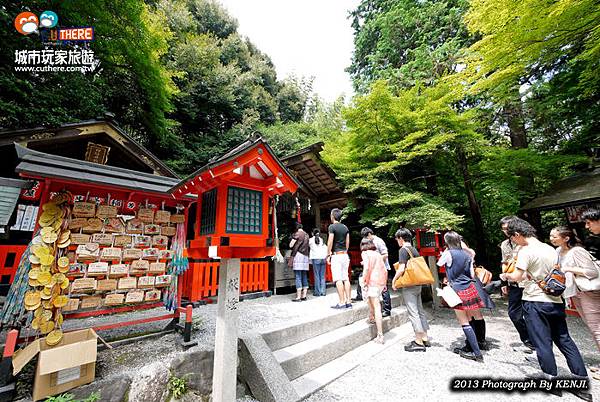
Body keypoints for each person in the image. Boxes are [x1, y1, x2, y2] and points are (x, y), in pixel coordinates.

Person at [501, 218, 590, 400]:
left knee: (542, 341)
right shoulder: (549, 249)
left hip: (534, 301)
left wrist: (505, 275)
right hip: (555, 300)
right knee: (565, 340)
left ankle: (551, 381)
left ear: (518, 235)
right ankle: (580, 382)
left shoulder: (526, 251)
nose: (513, 241)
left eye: (513, 237)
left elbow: (518, 276)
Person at [550, 226, 600, 381]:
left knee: (596, 328)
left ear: (566, 238)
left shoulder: (577, 251)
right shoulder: (558, 252)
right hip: (576, 293)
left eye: (554, 236)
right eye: (551, 236)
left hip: (588, 292)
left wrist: (568, 269)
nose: (551, 238)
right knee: (593, 329)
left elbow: (592, 272)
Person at [437, 231, 485, 362]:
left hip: (456, 289)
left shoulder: (448, 253)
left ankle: (476, 353)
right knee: (470, 318)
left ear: (446, 241)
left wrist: (443, 253)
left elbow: (439, 264)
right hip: (469, 287)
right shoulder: (467, 255)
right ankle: (473, 347)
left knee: (464, 321)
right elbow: (470, 273)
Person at [499, 216, 534, 352]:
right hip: (513, 282)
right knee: (514, 313)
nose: (506, 231)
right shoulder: (505, 245)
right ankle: (527, 339)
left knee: (531, 313)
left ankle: (535, 342)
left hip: (529, 282)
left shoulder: (527, 242)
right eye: (504, 229)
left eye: (508, 228)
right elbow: (504, 261)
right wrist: (504, 281)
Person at [391, 228, 430, 352]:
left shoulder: (403, 250)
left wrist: (394, 280)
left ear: (401, 239)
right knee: (420, 310)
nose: (397, 241)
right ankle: (425, 337)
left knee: (413, 312)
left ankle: (418, 341)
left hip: (409, 286)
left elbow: (402, 268)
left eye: (397, 239)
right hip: (418, 283)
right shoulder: (414, 249)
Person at [352, 227, 392, 317]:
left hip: (382, 268)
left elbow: (385, 254)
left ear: (369, 234)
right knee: (362, 278)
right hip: (372, 269)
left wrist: (373, 260)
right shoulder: (369, 242)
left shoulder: (379, 241)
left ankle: (387, 309)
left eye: (366, 237)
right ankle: (360, 295)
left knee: (384, 289)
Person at [361, 238, 388, 344]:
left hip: (372, 281)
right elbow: (384, 269)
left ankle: (380, 335)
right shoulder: (377, 254)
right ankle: (371, 317)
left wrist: (364, 280)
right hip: (380, 281)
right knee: (372, 301)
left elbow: (367, 268)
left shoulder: (365, 253)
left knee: (376, 306)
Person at [327, 208, 351, 309]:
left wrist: (328, 254)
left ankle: (341, 302)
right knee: (346, 278)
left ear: (333, 216)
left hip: (337, 255)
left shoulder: (332, 227)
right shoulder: (345, 227)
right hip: (345, 254)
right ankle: (348, 301)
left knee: (338, 279)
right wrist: (345, 251)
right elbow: (347, 243)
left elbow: (330, 241)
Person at [290, 222, 310, 302]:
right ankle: (304, 295)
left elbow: (291, 245)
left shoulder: (297, 234)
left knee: (298, 275)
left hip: (298, 256)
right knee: (304, 275)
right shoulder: (307, 234)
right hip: (305, 256)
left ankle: (298, 297)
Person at [309, 228, 328, 297]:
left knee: (317, 276)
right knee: (322, 276)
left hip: (316, 259)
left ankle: (317, 292)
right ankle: (323, 292)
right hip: (323, 258)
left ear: (312, 233)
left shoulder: (310, 240)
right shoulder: (321, 239)